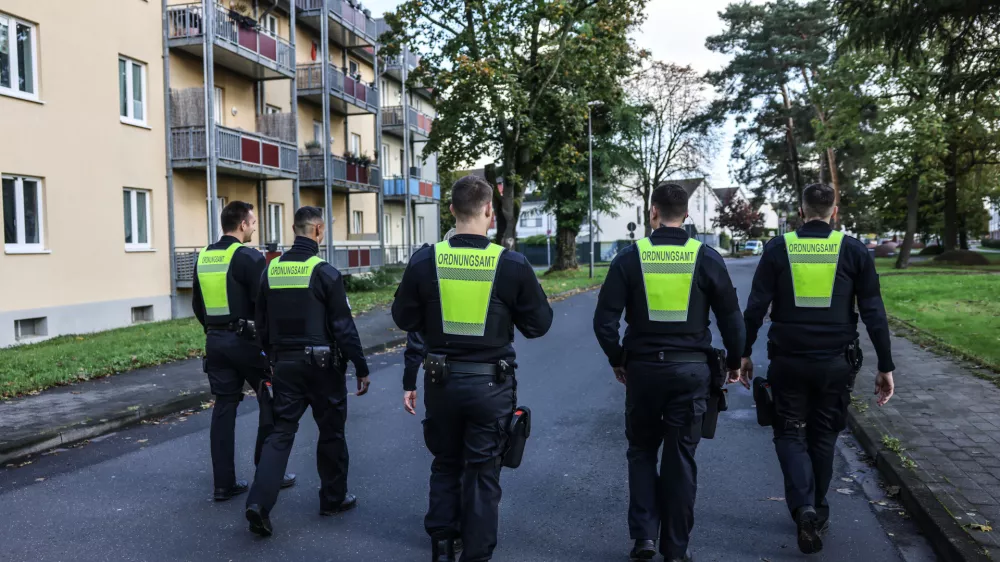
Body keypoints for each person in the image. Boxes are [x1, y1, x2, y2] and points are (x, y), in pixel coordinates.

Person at [392, 175, 553, 562]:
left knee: (446, 462)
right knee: (482, 471)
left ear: (451, 211)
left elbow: (402, 316)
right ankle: (476, 554)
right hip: (490, 386)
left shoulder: (426, 258)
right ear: (488, 212)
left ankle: (443, 545)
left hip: (441, 381)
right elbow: (539, 325)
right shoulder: (511, 264)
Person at [593, 183, 745, 562]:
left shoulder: (629, 258)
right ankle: (676, 549)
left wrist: (618, 359)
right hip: (691, 372)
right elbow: (731, 318)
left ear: (652, 212)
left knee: (642, 450)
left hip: (643, 371)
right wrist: (733, 362)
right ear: (688, 215)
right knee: (681, 457)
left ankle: (644, 538)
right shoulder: (706, 257)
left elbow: (604, 322)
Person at [741, 183, 895, 554]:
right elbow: (873, 310)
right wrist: (886, 365)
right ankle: (818, 510)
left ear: (801, 209)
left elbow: (756, 307)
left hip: (789, 362)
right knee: (824, 436)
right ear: (834, 211)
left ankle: (804, 507)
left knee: (790, 432)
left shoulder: (779, 248)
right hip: (835, 364)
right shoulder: (853, 250)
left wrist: (742, 353)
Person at [244, 206, 372, 537]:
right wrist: (360, 365)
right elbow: (343, 327)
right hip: (323, 368)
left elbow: (261, 325)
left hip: (284, 365)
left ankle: (258, 503)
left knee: (281, 432)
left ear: (294, 229)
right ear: (317, 231)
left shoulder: (269, 272)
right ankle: (333, 499)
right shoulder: (325, 272)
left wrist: (268, 359)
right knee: (331, 432)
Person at [192, 201, 295, 501]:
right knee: (269, 400)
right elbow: (264, 305)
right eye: (252, 222)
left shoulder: (204, 258)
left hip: (215, 342)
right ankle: (267, 472)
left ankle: (223, 484)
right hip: (247, 342)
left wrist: (214, 330)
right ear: (241, 225)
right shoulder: (249, 258)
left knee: (224, 410)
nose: (253, 227)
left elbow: (198, 306)